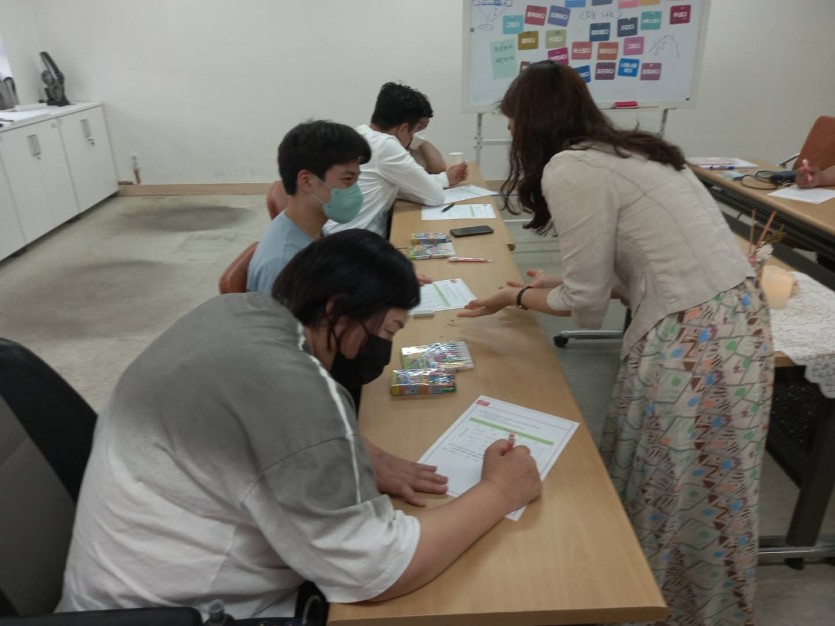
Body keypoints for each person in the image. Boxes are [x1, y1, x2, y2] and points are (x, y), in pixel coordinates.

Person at [58, 230, 541, 621]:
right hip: (178, 612)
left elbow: (253, 423)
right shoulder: (291, 387)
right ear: (336, 309)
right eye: (387, 329)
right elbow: (376, 570)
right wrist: (500, 491)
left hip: (113, 590)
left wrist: (355, 450)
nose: (382, 346)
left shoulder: (233, 312)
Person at [457, 61, 773, 626]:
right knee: (694, 480)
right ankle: (668, 596)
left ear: (532, 122)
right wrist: (554, 283)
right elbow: (645, 260)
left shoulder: (571, 167)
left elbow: (586, 305)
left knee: (679, 481)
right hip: (735, 320)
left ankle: (661, 605)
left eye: (512, 124)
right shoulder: (633, 150)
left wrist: (516, 297)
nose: (511, 136)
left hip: (694, 337)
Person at [323, 81, 469, 237]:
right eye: (414, 131)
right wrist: (443, 180)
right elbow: (435, 196)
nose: (413, 138)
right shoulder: (385, 145)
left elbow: (404, 186)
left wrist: (445, 179)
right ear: (403, 129)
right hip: (354, 240)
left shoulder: (360, 134)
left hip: (334, 234)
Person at [247, 120, 370, 294]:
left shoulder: (310, 229)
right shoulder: (283, 265)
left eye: (356, 180)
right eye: (347, 180)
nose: (355, 191)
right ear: (306, 181)